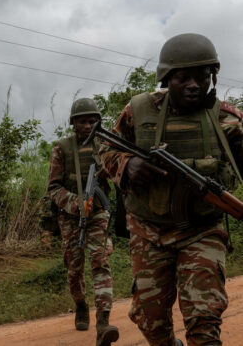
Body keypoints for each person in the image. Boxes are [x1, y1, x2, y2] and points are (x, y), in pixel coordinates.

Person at [100, 33, 243, 346]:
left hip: (202, 229)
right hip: (148, 230)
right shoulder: (138, 111)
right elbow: (105, 149)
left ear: (212, 77)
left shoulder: (227, 120)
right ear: (167, 79)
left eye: (202, 77)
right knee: (150, 319)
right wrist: (126, 166)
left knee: (204, 318)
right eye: (183, 78)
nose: (194, 84)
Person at [47, 98, 119, 346]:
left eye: (92, 121)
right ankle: (80, 305)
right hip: (70, 216)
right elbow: (53, 188)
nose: (87, 125)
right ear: (73, 123)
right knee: (74, 268)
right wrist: (76, 203)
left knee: (100, 260)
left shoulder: (106, 146)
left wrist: (110, 170)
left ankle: (103, 321)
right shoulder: (62, 148)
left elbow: (122, 172)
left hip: (99, 213)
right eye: (82, 121)